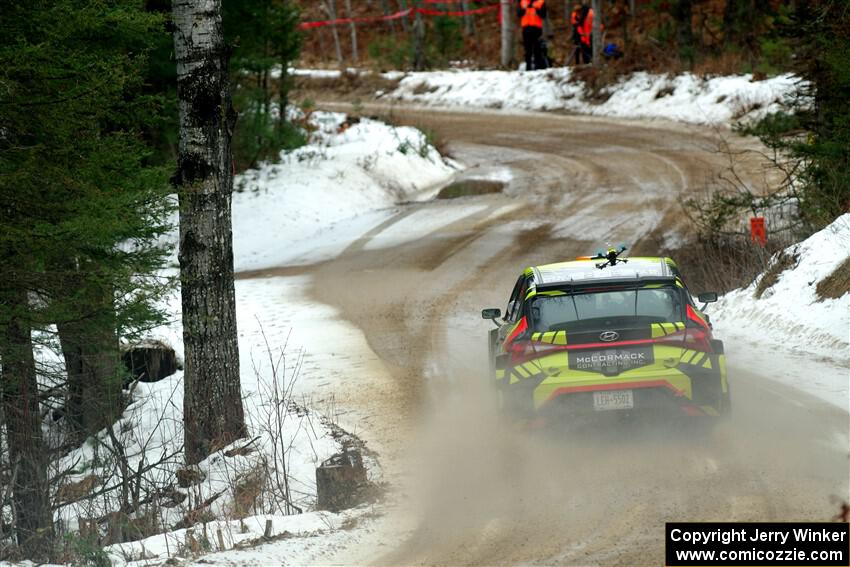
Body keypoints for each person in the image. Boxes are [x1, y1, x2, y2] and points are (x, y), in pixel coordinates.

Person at [517, 0, 548, 71]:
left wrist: (535, 8)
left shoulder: (541, 2)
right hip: (526, 29)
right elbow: (519, 14)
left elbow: (543, 15)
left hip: (536, 29)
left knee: (537, 49)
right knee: (528, 50)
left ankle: (538, 68)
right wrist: (524, 8)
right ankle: (528, 68)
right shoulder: (522, 2)